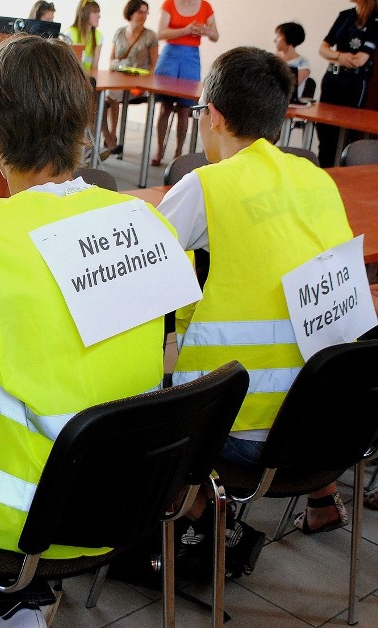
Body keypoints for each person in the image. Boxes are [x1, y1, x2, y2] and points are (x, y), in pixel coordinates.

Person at [0, 34, 187, 625]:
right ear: (81, 121)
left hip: (8, 512)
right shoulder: (143, 221)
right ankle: (26, 602)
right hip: (121, 497)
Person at [157, 47, 355, 547]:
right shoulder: (318, 180)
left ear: (215, 116)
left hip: (241, 434)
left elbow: (137, 274)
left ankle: (203, 513)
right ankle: (323, 495)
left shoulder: (204, 186)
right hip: (328, 427)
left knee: (139, 411)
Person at [151, 0, 217, 168]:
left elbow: (215, 36)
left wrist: (205, 30)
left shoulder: (205, 6)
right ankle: (159, 150)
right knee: (165, 107)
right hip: (170, 56)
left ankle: (178, 153)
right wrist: (186, 30)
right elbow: (160, 33)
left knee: (184, 109)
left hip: (191, 57)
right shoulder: (170, 4)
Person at [316, 0, 378, 167]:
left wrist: (335, 54)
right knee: (324, 132)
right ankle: (324, 172)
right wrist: (339, 57)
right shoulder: (345, 15)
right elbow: (322, 48)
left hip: (354, 83)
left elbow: (360, 60)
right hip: (332, 79)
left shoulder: (375, 18)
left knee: (344, 134)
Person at [101, 0, 158, 157]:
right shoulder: (119, 33)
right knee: (101, 102)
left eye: (146, 12)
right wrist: (119, 67)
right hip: (118, 79)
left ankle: (111, 137)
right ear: (131, 13)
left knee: (109, 98)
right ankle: (110, 137)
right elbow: (112, 59)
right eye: (140, 12)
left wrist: (146, 84)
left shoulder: (150, 36)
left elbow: (154, 65)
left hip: (138, 84)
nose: (144, 16)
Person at [274, 21, 310, 98]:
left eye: (278, 36)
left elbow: (290, 85)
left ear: (288, 38)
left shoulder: (303, 63)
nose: (275, 40)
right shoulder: (272, 59)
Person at [66, 0, 103, 72]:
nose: (99, 16)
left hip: (88, 79)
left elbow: (95, 67)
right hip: (72, 78)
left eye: (98, 12)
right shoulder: (69, 33)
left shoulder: (98, 36)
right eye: (95, 12)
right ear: (85, 13)